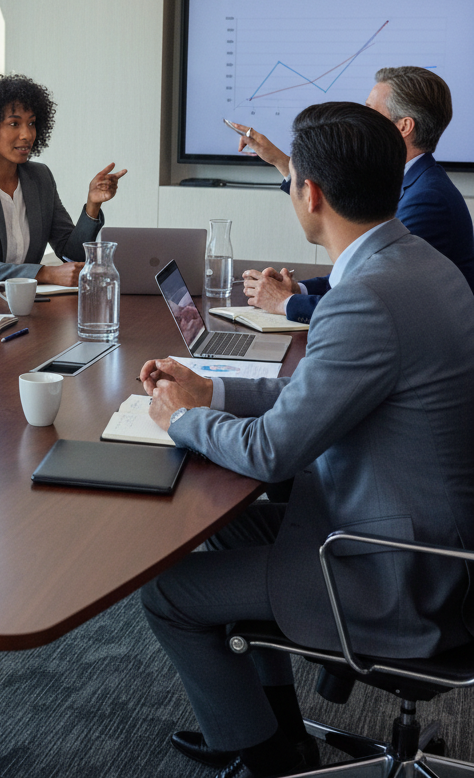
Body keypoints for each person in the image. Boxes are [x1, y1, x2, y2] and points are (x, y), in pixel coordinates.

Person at [137, 102, 474, 778]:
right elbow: (320, 396)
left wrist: (178, 418)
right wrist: (213, 393)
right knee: (228, 527)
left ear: (309, 193)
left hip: (395, 568)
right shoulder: (419, 265)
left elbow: (272, 453)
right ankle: (281, 733)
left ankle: (263, 760)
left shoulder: (366, 296)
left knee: (167, 593)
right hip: (431, 536)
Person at [231, 66, 474, 322]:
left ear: (403, 126)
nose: (361, 118)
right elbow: (360, 274)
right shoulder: (412, 182)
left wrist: (285, 302)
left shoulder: (428, 199)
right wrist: (299, 289)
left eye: (371, 110)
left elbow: (369, 299)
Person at [0, 74, 126, 288]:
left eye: (32, 123)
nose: (27, 134)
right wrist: (46, 273)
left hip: (30, 306)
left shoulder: (40, 177)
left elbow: (70, 253)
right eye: (14, 123)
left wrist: (93, 204)